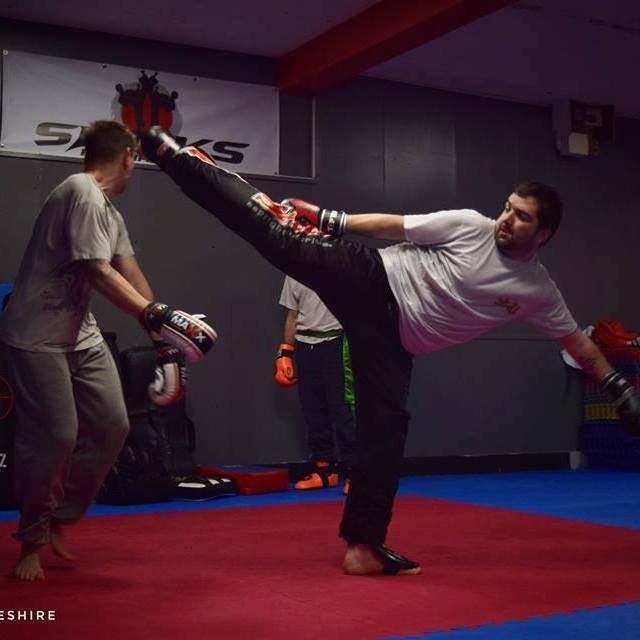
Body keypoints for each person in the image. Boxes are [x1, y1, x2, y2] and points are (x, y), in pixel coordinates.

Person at [139, 126, 640, 577]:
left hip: (396, 343)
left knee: (385, 432)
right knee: (277, 235)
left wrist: (620, 391)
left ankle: (363, 547)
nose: (506, 219)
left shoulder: (537, 292)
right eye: (508, 207)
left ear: (543, 234)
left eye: (521, 217)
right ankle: (179, 159)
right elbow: (399, 226)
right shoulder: (471, 225)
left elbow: (576, 342)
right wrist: (333, 220)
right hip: (371, 280)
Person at [0, 120, 216, 581]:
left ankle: (61, 516)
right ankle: (32, 539)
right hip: (35, 334)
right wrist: (154, 315)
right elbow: (96, 271)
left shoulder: (109, 213)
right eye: (135, 158)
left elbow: (129, 272)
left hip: (80, 332)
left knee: (114, 425)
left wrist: (162, 337)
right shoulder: (80, 191)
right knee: (57, 435)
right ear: (127, 156)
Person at [275, 276, 355, 492]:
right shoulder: (294, 270)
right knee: (313, 409)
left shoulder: (341, 263)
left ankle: (357, 472)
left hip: (337, 341)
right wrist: (285, 353)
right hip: (305, 344)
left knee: (343, 408)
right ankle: (325, 470)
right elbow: (292, 314)